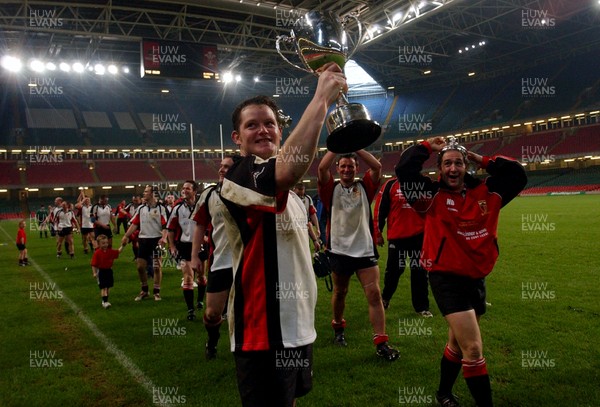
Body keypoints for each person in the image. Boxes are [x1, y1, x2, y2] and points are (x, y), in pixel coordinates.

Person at [218, 62, 346, 406]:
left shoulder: (291, 194)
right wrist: (321, 98)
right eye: (252, 125)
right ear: (237, 137)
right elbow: (288, 168)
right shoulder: (237, 177)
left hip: (297, 327)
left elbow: (287, 171)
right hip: (263, 333)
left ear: (280, 130)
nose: (263, 130)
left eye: (270, 123)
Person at [395, 136, 527, 407]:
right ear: (439, 169)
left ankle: (443, 393)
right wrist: (426, 147)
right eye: (447, 164)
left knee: (457, 343)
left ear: (466, 166)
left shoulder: (489, 192)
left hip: (476, 277)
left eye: (458, 163)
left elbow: (518, 174)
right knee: (474, 348)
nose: (453, 169)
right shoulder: (429, 196)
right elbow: (404, 170)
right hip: (445, 277)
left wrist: (482, 159)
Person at [318, 150, 399, 361]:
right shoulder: (330, 189)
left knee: (374, 295)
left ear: (357, 168)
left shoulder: (365, 186)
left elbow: (377, 167)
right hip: (339, 251)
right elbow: (321, 168)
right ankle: (338, 329)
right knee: (340, 292)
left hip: (364, 250)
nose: (346, 169)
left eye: (351, 166)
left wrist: (357, 145)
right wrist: (337, 145)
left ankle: (381, 343)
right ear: (338, 169)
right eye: (343, 166)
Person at [191, 155, 235, 360]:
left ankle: (245, 352)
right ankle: (213, 341)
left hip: (248, 262)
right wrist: (194, 256)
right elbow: (200, 225)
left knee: (247, 313)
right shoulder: (209, 194)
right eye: (221, 166)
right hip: (220, 261)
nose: (222, 170)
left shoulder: (249, 192)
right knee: (211, 314)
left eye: (227, 167)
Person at [373, 177, 432, 317]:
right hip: (397, 236)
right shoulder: (390, 185)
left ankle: (421, 307)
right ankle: (385, 298)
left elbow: (433, 207)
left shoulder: (423, 183)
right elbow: (380, 209)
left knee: (419, 271)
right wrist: (378, 232)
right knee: (394, 270)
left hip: (419, 235)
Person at [121, 185, 169, 301]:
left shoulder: (161, 208)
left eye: (146, 191)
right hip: (143, 240)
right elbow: (135, 224)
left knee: (157, 267)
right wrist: (126, 236)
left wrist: (164, 238)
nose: (144, 193)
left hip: (156, 240)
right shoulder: (141, 208)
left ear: (153, 193)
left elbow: (165, 226)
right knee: (140, 267)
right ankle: (144, 290)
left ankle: (156, 292)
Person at [167, 180, 202, 321]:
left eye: (188, 188)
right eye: (183, 188)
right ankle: (190, 309)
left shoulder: (202, 206)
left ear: (194, 191)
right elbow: (170, 228)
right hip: (184, 246)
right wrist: (172, 246)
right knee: (188, 277)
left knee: (201, 276)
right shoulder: (177, 208)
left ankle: (200, 300)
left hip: (200, 246)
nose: (184, 190)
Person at [91, 234, 123, 309]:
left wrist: (123, 245)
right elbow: (93, 264)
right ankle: (105, 302)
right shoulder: (97, 253)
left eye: (106, 243)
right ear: (98, 244)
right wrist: (94, 273)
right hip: (101, 271)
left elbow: (118, 252)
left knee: (108, 287)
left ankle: (105, 300)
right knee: (104, 287)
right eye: (103, 243)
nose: (105, 245)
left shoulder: (110, 251)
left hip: (109, 271)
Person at [293, 182, 322, 251]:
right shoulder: (290, 198)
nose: (301, 191)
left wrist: (317, 228)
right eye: (299, 189)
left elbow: (312, 214)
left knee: (305, 248)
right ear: (294, 190)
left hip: (305, 226)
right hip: (292, 227)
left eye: (302, 189)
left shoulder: (308, 199)